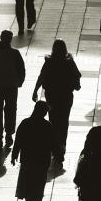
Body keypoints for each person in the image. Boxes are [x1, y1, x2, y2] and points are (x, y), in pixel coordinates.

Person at [32, 39, 81, 168]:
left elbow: (41, 76)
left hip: (52, 96)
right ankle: (61, 147)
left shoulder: (49, 62)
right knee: (64, 122)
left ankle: (54, 148)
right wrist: (76, 85)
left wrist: (35, 91)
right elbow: (77, 76)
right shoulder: (69, 62)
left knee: (53, 121)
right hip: (65, 97)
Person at [11, 101, 58, 201]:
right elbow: (54, 143)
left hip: (27, 159)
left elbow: (18, 140)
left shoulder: (25, 123)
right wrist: (58, 155)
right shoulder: (47, 126)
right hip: (42, 161)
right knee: (39, 184)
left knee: (28, 181)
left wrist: (14, 154)